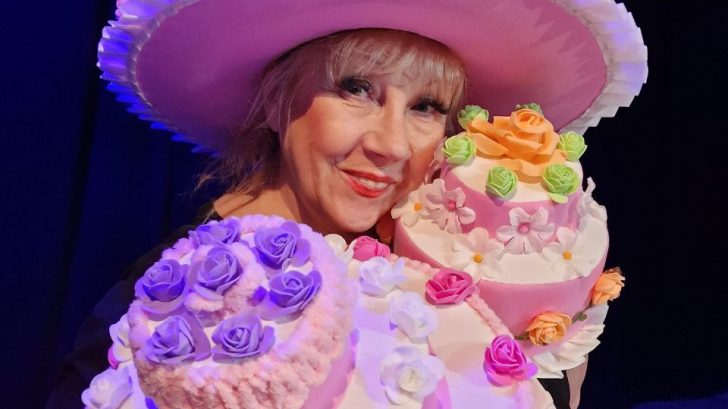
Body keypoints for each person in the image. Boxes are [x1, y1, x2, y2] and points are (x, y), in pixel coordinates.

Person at [48, 0, 647, 407]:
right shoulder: (169, 304)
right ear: (278, 103)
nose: (392, 145)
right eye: (356, 90)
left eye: (426, 107)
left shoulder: (457, 274)